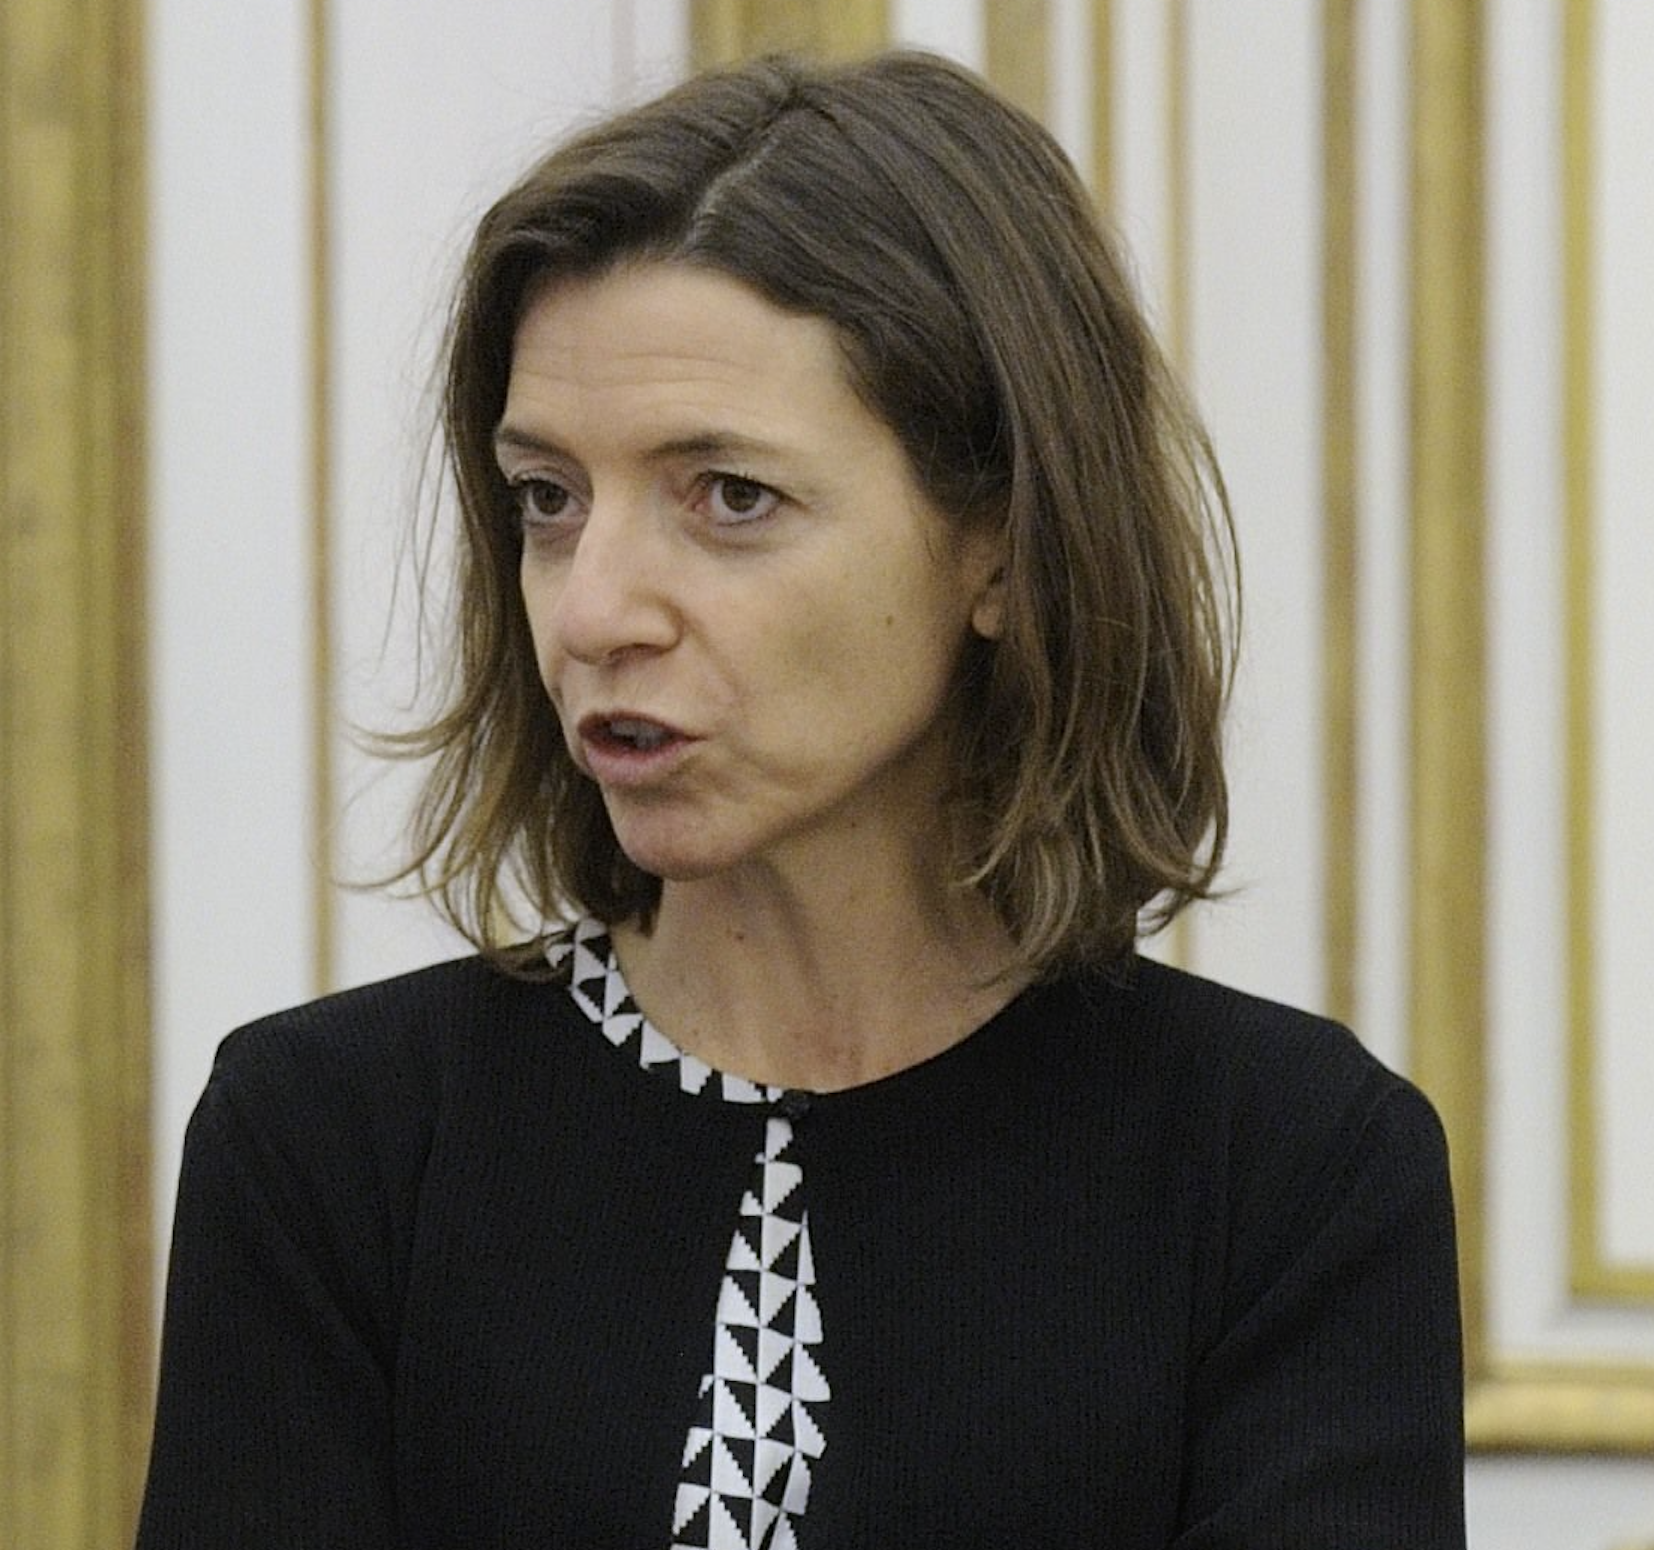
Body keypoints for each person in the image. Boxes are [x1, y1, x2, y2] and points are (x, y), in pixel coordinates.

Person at [137, 49, 1464, 1549]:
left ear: (1003, 547)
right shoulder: (328, 1144)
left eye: (731, 497)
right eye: (548, 500)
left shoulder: (1290, 1174)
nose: (593, 611)